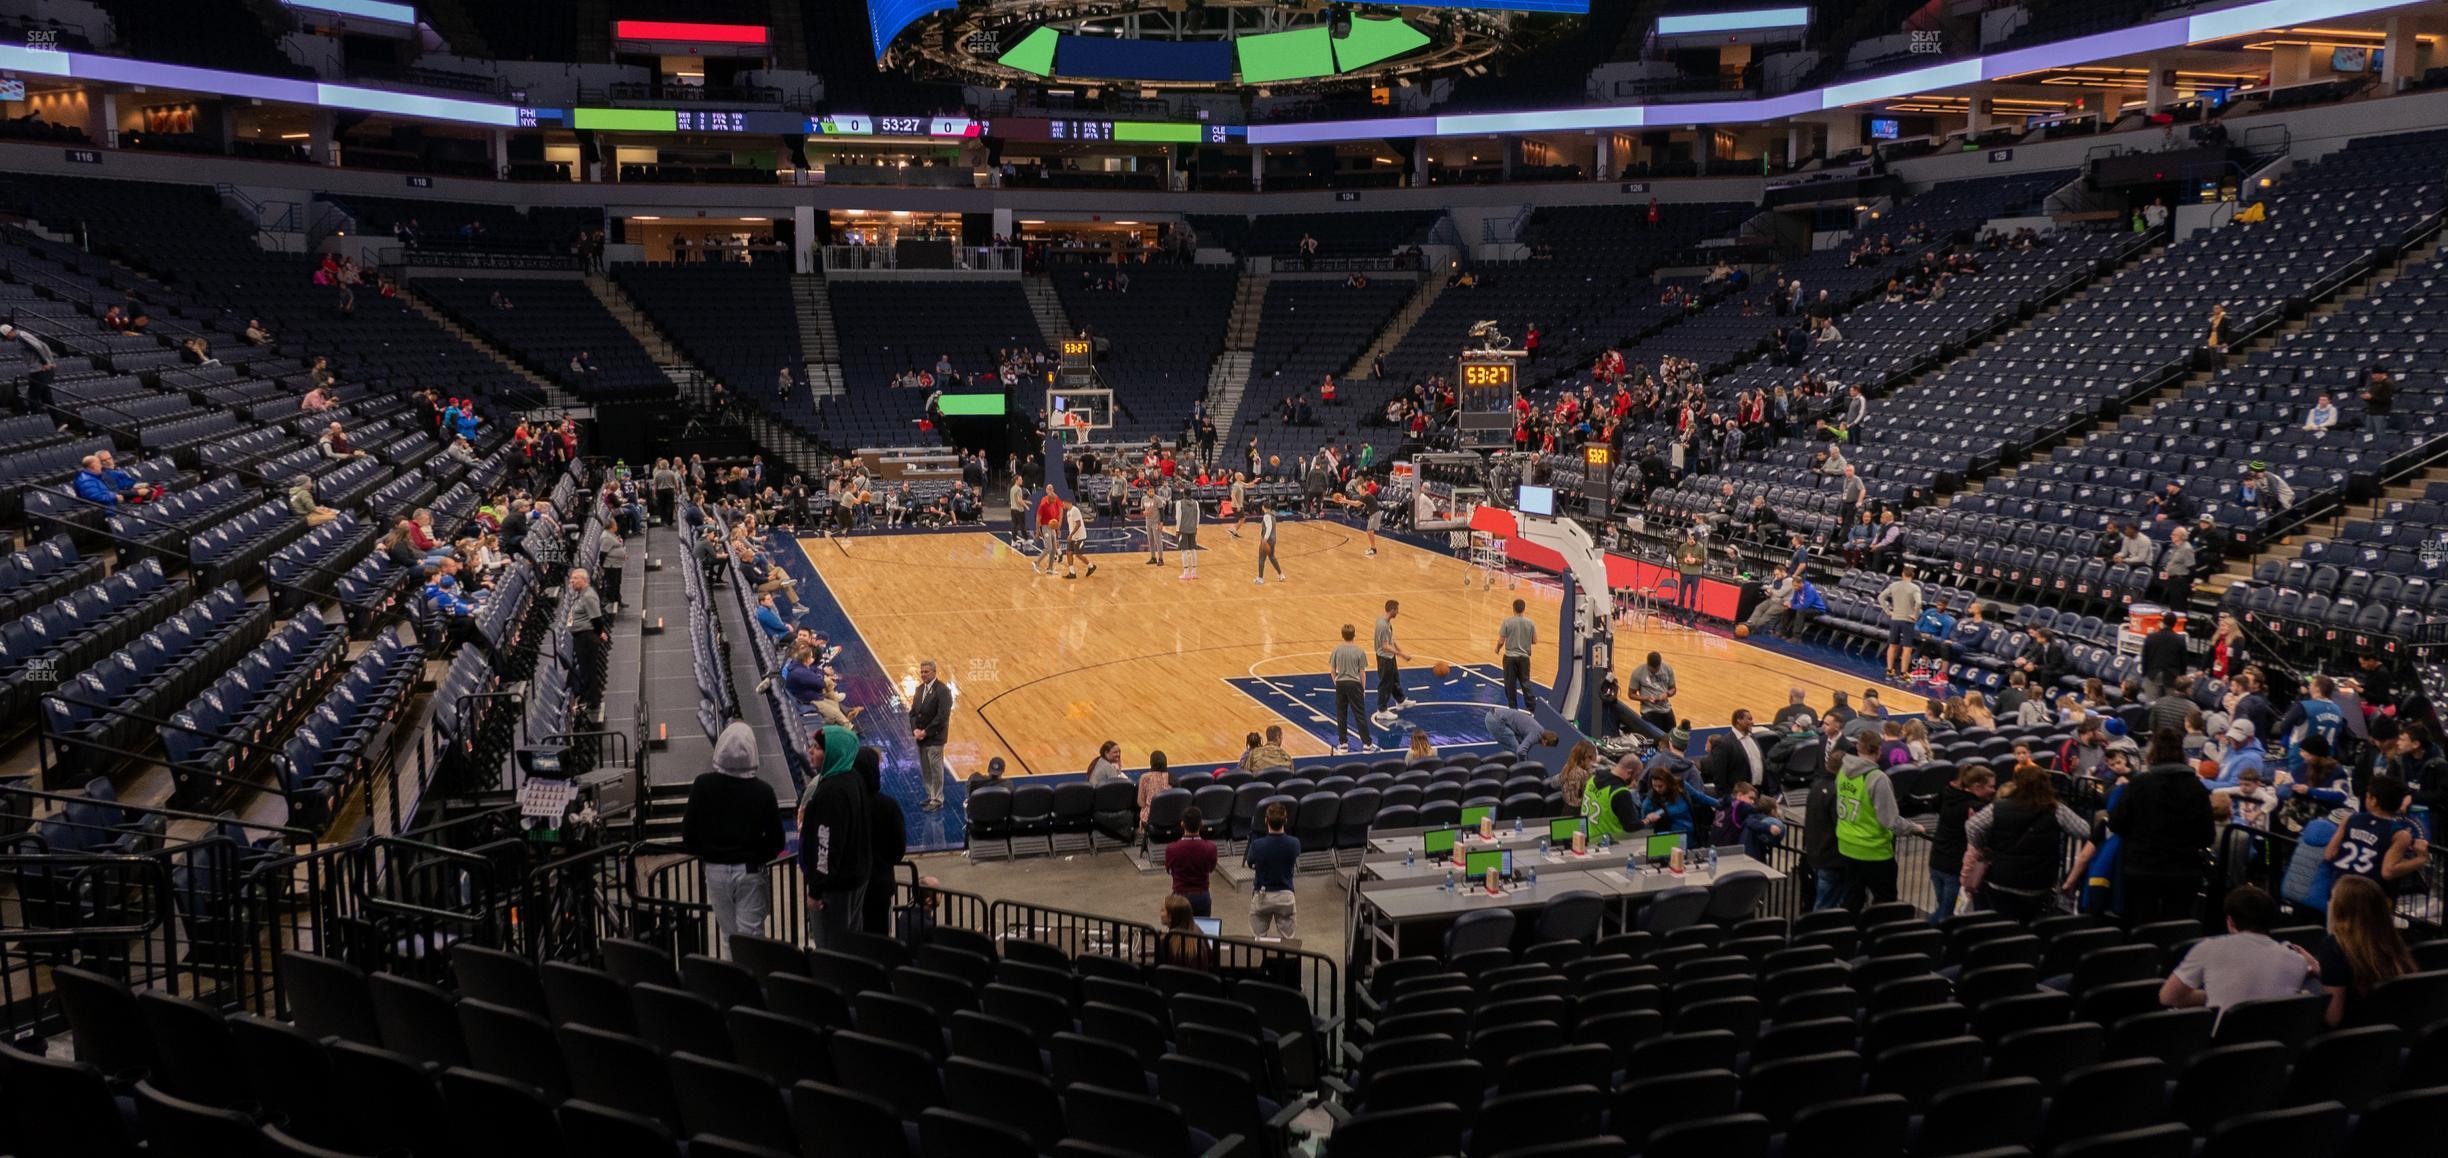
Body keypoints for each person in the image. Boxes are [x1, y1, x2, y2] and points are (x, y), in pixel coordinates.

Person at [682, 720, 784, 939]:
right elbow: (776, 840)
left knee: (729, 937)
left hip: (715, 870)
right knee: (752, 938)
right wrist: (755, 857)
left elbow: (689, 834)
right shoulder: (763, 791)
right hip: (749, 871)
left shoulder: (702, 785)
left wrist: (711, 854)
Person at [2111, 727, 2217, 924]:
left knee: (2142, 925)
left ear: (2153, 753)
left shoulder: (2139, 784)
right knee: (2175, 928)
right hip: (2183, 870)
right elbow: (2207, 835)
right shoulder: (2196, 788)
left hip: (2142, 867)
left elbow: (2117, 822)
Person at [2159, 885, 2319, 1014]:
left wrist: (2214, 994)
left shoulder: (2208, 948)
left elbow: (2167, 997)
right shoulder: (2298, 961)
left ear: (2230, 921)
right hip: (2274, 1049)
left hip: (2220, 1046)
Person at [1965, 764, 2090, 921]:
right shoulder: (2056, 809)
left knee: (2002, 926)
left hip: (2002, 878)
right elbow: (2084, 830)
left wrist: (1982, 846)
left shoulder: (1999, 807)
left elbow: (1973, 826)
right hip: (2038, 881)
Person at [798, 724, 871, 948]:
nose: (810, 751)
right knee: (851, 945)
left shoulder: (832, 792)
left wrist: (816, 890)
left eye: (817, 748)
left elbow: (826, 846)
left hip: (835, 888)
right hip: (855, 878)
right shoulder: (853, 778)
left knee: (832, 949)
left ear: (834, 753)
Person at [2312, 875, 2417, 1026]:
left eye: (2333, 898)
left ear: (2341, 908)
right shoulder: (2393, 942)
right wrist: (2322, 972)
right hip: (2389, 1035)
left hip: (2349, 1040)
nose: (2329, 903)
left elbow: (2333, 1018)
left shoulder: (2334, 947)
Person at [1836, 733, 1925, 906]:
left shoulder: (1842, 771)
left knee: (1852, 900)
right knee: (1885, 902)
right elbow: (1890, 820)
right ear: (1879, 751)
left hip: (1846, 845)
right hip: (1873, 849)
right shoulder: (1877, 777)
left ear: (1858, 748)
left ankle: (1849, 931)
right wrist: (1913, 828)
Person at [2324, 772, 2430, 897]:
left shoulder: (2349, 819)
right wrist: (2421, 859)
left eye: (2368, 796)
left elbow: (2329, 854)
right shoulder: (2400, 834)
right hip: (2368, 895)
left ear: (2373, 801)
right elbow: (2388, 871)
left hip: (2339, 889)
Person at [1929, 765, 1996, 922]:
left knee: (1944, 909)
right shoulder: (1975, 807)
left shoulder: (1948, 794)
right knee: (1946, 916)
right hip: (1954, 868)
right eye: (1991, 786)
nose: (1994, 790)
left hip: (1936, 861)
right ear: (1976, 786)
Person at [857, 746, 907, 936]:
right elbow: (898, 849)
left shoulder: (846, 801)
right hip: (880, 882)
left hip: (851, 884)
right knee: (879, 936)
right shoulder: (888, 806)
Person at [1246, 803, 1299, 940]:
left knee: (1257, 941)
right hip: (1286, 896)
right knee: (1288, 943)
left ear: (1266, 820)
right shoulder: (1294, 843)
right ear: (1285, 820)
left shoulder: (1257, 845)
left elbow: (1250, 862)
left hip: (1263, 896)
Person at [907, 659, 952, 811]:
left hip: (935, 737)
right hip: (921, 737)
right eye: (922, 672)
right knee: (926, 768)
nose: (923, 674)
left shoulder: (943, 691)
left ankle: (938, 799)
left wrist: (926, 732)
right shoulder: (920, 689)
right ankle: (930, 795)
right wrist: (915, 730)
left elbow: (942, 717)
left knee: (936, 768)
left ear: (934, 672)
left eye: (926, 672)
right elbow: (913, 712)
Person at [565, 569, 607, 718]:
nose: (571, 581)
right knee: (585, 670)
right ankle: (590, 699)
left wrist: (599, 632)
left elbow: (596, 618)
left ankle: (592, 702)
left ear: (584, 580)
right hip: (582, 637)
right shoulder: (582, 595)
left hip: (587, 638)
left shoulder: (588, 596)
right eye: (571, 579)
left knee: (588, 670)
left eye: (575, 579)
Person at [1637, 765, 1717, 837]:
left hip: (1692, 836)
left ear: (1668, 783)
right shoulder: (1649, 802)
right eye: (1654, 786)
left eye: (1660, 786)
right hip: (1668, 842)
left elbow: (1700, 797)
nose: (1657, 789)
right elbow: (1645, 828)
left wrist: (1719, 803)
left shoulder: (1682, 786)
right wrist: (1649, 820)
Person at [1166, 806, 1218, 917]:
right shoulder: (1211, 848)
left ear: (1182, 824)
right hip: (1202, 896)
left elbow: (1169, 869)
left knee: (1178, 931)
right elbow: (1211, 868)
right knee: (1202, 931)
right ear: (1201, 824)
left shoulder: (1172, 849)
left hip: (1180, 897)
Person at [1330, 624, 1370, 753]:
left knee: (1341, 714)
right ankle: (1367, 743)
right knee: (1359, 714)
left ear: (1342, 635)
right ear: (1354, 635)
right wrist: (1363, 689)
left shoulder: (1337, 650)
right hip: (1354, 684)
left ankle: (1343, 743)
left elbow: (1332, 670)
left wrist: (1336, 681)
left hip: (1341, 684)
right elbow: (1362, 673)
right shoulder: (1359, 651)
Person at [1879, 567, 1922, 681]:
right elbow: (1919, 602)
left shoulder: (1894, 585)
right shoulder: (1915, 588)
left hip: (1895, 619)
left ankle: (1889, 670)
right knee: (1907, 648)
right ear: (1913, 575)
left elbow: (1881, 597)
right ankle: (1903, 673)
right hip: (1908, 620)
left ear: (1902, 574)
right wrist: (1915, 615)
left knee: (1892, 645)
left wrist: (1888, 612)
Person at [1, 323, 58, 410]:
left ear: (9, 333)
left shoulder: (21, 337)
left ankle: (37, 417)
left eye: (6, 337)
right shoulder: (23, 334)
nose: (7, 339)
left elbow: (38, 347)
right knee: (46, 397)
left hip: (38, 370)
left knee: (32, 397)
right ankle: (59, 422)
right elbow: (44, 345)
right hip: (41, 369)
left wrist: (46, 362)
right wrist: (51, 361)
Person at [1371, 600, 1410, 724]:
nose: (1398, 612)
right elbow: (1385, 646)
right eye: (1397, 610)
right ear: (1392, 610)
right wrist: (1401, 655)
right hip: (1384, 658)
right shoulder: (1383, 626)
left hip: (1389, 657)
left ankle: (1400, 700)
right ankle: (1382, 710)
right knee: (1385, 684)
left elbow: (1391, 641)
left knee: (1394, 679)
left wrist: (1399, 650)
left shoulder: (1383, 621)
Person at [1156, 894, 1216, 972]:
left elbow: (1160, 971)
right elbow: (1211, 958)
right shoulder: (1198, 932)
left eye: (1162, 910)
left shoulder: (1166, 942)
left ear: (1170, 917)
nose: (1160, 914)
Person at [1496, 599, 1536, 710]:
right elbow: (1534, 640)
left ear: (1513, 608)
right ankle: (1533, 708)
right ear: (1524, 608)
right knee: (1525, 683)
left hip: (1510, 658)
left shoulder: (1507, 622)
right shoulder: (1530, 623)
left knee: (1510, 684)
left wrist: (1497, 649)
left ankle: (1513, 708)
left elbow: (1500, 641)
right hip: (1524, 658)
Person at [1630, 651, 1677, 735]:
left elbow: (1673, 689)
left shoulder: (1667, 668)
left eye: (1657, 669)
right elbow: (1631, 694)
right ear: (1648, 664)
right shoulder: (1638, 672)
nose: (1655, 671)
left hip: (1666, 708)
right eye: (1652, 669)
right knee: (1655, 739)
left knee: (1672, 738)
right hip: (1649, 711)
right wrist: (1646, 698)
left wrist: (1667, 694)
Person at [1484, 705, 1558, 759]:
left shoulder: (1539, 730)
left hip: (1494, 716)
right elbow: (1520, 751)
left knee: (1515, 747)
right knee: (1515, 750)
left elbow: (1524, 746)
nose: (1545, 746)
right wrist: (1524, 766)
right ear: (1545, 740)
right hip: (1495, 720)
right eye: (1547, 744)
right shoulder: (1536, 734)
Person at [1556, 742, 1599, 811]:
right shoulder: (1579, 773)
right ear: (1585, 758)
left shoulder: (1568, 766)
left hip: (1568, 809)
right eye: (1592, 759)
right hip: (1576, 813)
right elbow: (1575, 801)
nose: (1593, 762)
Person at [1136, 751, 1172, 824]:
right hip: (1170, 817)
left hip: (1150, 818)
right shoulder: (1173, 778)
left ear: (1151, 763)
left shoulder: (1145, 778)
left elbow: (1141, 803)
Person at [1254, 503, 1284, 584]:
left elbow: (1269, 528)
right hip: (1273, 539)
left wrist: (1264, 540)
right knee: (1272, 557)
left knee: (1261, 559)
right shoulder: (1273, 514)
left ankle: (1260, 578)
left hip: (1267, 540)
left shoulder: (1267, 516)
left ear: (1263, 507)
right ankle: (1281, 574)